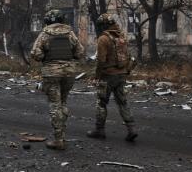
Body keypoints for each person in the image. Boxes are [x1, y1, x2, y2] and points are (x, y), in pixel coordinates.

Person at [31, 9, 84, 150]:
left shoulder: (45, 34)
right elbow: (80, 53)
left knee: (55, 105)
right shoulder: (70, 33)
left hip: (52, 73)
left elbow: (35, 54)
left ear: (47, 20)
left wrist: (46, 58)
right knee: (63, 102)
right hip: (69, 72)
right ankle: (63, 134)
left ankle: (58, 139)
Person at [87, 13, 137, 142]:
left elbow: (101, 61)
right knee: (123, 102)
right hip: (121, 75)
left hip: (107, 76)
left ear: (104, 25)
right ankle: (132, 129)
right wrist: (127, 71)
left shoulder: (103, 38)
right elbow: (129, 57)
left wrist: (97, 76)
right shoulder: (122, 37)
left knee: (101, 103)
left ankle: (100, 130)